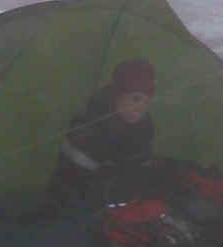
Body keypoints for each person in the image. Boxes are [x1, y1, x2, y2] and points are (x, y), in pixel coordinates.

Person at [47, 59, 156, 208]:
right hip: (71, 202)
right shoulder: (89, 123)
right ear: (118, 94)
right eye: (136, 99)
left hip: (115, 201)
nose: (141, 108)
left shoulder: (142, 127)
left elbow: (141, 165)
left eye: (146, 102)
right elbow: (72, 177)